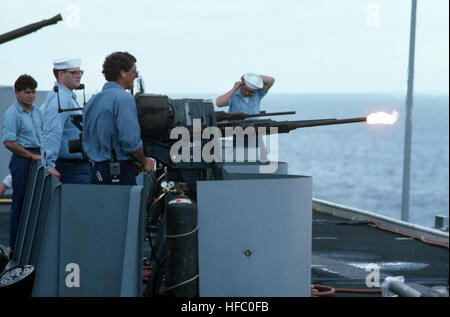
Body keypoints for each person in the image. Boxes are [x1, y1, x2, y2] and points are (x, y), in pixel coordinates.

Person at [82, 51, 153, 185]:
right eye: (133, 71)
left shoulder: (93, 100)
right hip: (118, 172)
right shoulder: (124, 99)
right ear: (122, 73)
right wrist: (144, 161)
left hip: (97, 170)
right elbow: (130, 142)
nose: (136, 75)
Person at [1, 74, 42, 255]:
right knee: (20, 202)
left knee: (36, 203)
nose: (31, 96)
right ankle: (15, 247)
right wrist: (31, 156)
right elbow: (9, 142)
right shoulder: (12, 114)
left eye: (33, 92)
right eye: (27, 92)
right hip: (23, 160)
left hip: (38, 158)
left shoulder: (37, 112)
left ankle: (32, 244)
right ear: (17, 93)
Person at [40, 57, 91, 184]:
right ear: (61, 75)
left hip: (76, 166)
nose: (79, 76)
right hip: (70, 168)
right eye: (74, 73)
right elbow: (52, 132)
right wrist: (49, 166)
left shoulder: (66, 96)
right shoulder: (61, 99)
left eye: (80, 72)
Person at [216, 73, 275, 154]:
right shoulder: (234, 95)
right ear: (242, 84)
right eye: (246, 89)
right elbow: (219, 103)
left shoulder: (258, 94)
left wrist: (251, 77)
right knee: (240, 158)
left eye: (251, 92)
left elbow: (271, 80)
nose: (247, 93)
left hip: (255, 133)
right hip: (238, 133)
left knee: (258, 159)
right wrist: (234, 89)